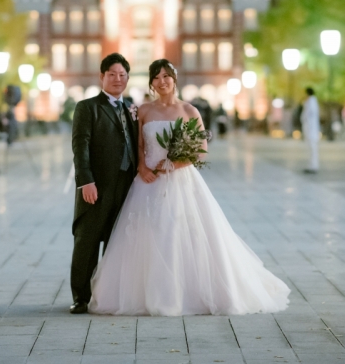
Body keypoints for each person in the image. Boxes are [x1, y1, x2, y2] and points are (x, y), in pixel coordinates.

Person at [88, 59, 289, 316]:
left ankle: (182, 293)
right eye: (156, 78)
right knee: (148, 233)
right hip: (147, 182)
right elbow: (137, 144)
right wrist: (143, 168)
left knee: (177, 231)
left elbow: (200, 150)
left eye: (166, 77)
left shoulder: (189, 111)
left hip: (180, 181)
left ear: (174, 79)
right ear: (151, 82)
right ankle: (146, 292)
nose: (162, 82)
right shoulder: (142, 110)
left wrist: (173, 164)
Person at [69, 53, 138, 315]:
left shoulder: (132, 108)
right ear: (102, 77)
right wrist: (86, 181)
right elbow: (80, 146)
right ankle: (81, 297)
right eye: (112, 74)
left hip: (125, 186)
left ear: (128, 78)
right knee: (87, 242)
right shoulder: (87, 108)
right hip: (96, 187)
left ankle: (107, 294)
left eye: (122, 75)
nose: (118, 79)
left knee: (116, 242)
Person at [301, 87, 320, 173]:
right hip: (310, 129)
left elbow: (309, 115)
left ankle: (313, 165)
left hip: (311, 129)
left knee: (313, 148)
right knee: (311, 148)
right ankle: (312, 165)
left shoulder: (311, 102)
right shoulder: (310, 101)